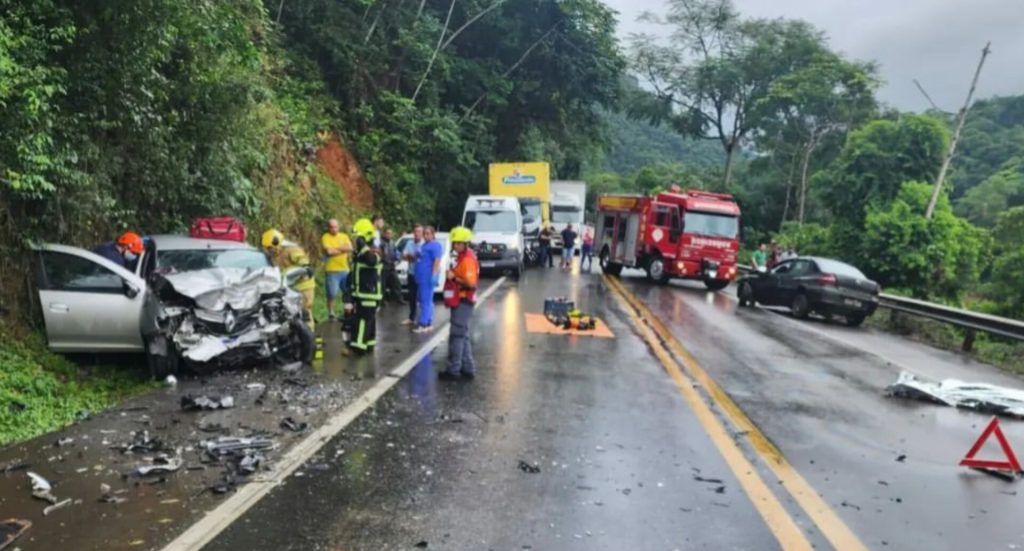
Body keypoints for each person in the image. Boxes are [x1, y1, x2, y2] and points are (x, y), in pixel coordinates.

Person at [440, 226, 480, 381]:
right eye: (454, 243)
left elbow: (471, 283)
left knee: (457, 335)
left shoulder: (468, 259)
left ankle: (453, 370)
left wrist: (453, 277)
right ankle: (467, 368)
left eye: (457, 243)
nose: (454, 246)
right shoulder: (464, 257)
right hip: (463, 300)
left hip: (464, 300)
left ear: (464, 243)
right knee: (463, 335)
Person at [263, 229, 316, 329]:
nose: (269, 250)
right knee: (289, 310)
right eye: (267, 248)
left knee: (304, 310)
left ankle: (309, 335)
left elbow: (303, 262)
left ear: (276, 242)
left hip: (303, 285)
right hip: (288, 286)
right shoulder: (272, 255)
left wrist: (304, 267)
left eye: (270, 248)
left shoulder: (292, 249)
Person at [345, 218, 382, 353]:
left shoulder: (373, 251)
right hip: (363, 293)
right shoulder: (362, 253)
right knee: (369, 321)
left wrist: (363, 245)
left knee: (362, 321)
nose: (355, 241)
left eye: (357, 238)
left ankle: (359, 346)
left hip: (368, 294)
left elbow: (372, 261)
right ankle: (369, 344)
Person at [321, 219, 353, 321]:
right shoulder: (325, 237)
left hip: (345, 269)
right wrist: (343, 249)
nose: (334, 229)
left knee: (348, 292)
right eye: (332, 227)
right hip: (332, 270)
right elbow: (329, 252)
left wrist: (336, 249)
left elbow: (350, 248)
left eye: (335, 227)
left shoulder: (344, 236)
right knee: (332, 293)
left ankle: (347, 312)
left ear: (338, 227)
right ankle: (331, 313)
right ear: (328, 228)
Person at [413, 226, 443, 333]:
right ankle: (428, 321)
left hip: (427, 277)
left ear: (433, 234)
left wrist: (434, 275)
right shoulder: (424, 245)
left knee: (425, 300)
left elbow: (436, 261)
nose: (425, 235)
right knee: (425, 300)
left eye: (428, 233)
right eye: (424, 233)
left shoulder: (435, 245)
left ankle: (424, 323)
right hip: (421, 276)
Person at [402, 225, 424, 326]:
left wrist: (411, 256)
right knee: (412, 297)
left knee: (422, 297)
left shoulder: (424, 244)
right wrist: (412, 256)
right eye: (415, 231)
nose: (417, 234)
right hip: (411, 273)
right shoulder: (409, 243)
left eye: (419, 232)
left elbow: (418, 257)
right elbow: (404, 256)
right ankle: (411, 318)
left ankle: (423, 319)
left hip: (421, 274)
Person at [380, 228, 404, 304]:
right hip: (383, 266)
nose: (389, 235)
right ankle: (382, 300)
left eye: (390, 233)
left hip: (391, 266)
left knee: (396, 283)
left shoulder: (392, 242)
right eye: (387, 233)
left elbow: (396, 252)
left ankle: (399, 299)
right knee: (382, 285)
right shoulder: (380, 242)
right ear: (384, 234)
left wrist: (398, 258)